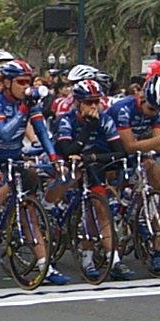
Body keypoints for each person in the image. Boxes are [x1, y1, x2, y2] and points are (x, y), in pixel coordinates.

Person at [0, 59, 60, 279]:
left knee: (28, 209)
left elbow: (42, 132)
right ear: (6, 83)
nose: (26, 87)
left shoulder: (29, 103)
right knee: (0, 190)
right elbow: (4, 132)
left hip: (14, 157)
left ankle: (45, 266)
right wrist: (23, 109)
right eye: (21, 82)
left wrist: (53, 157)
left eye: (29, 82)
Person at [106, 74, 160, 275]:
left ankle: (147, 226)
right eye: (151, 109)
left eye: (158, 110)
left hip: (141, 153)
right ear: (141, 99)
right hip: (113, 150)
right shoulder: (123, 109)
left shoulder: (158, 110)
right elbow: (129, 146)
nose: (154, 113)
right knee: (119, 185)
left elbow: (159, 145)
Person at [55, 79, 131, 282]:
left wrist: (95, 158)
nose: (94, 107)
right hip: (66, 165)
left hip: (90, 164)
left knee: (99, 208)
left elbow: (120, 153)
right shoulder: (66, 120)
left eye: (97, 102)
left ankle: (111, 260)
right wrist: (88, 128)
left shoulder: (104, 120)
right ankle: (51, 213)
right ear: (78, 103)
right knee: (69, 187)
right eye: (89, 102)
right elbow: (68, 150)